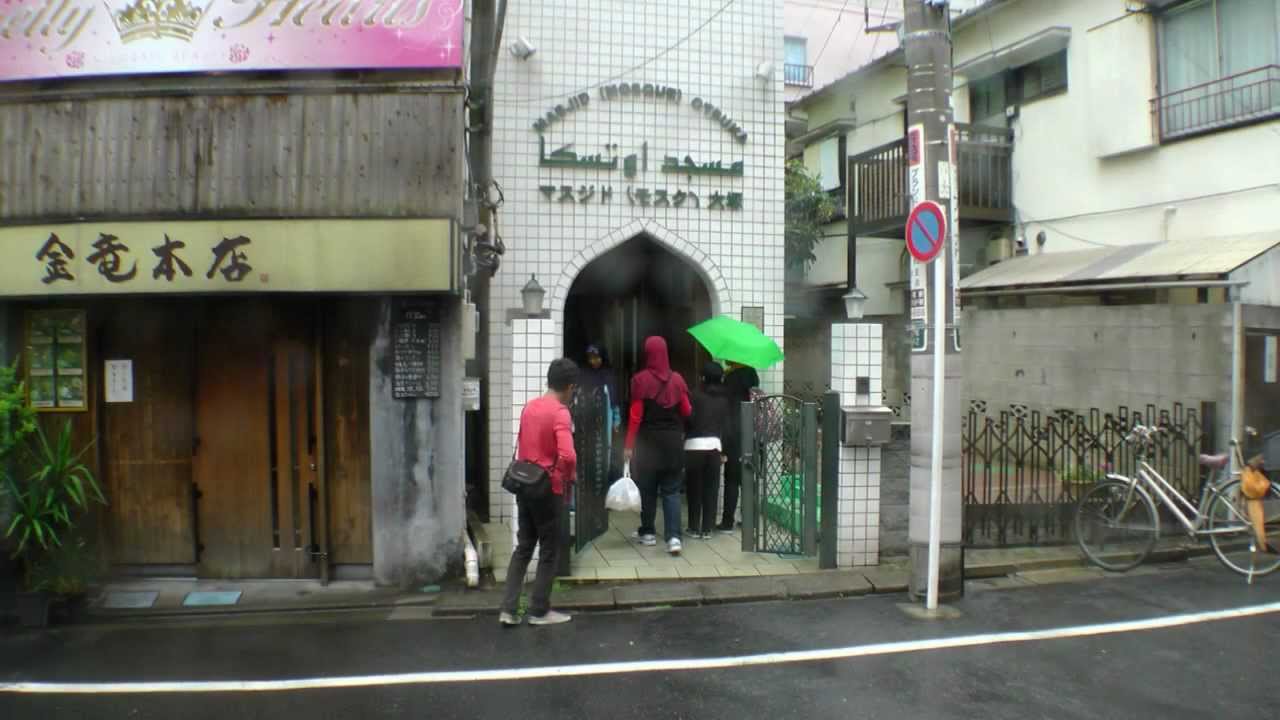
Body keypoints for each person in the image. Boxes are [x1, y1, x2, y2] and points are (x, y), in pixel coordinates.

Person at [499, 358, 579, 627]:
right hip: (548, 488)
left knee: (523, 546)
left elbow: (524, 445)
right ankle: (539, 611)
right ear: (569, 387)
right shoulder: (560, 412)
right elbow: (567, 454)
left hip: (524, 484)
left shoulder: (530, 407)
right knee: (548, 549)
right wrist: (567, 475)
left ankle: (508, 610)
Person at [624, 336, 692, 555]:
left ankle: (648, 533)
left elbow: (635, 417)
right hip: (672, 443)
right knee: (671, 491)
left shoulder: (640, 380)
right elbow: (687, 411)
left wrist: (628, 445)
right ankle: (673, 538)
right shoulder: (678, 380)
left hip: (648, 445)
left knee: (648, 489)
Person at [684, 362, 733, 539]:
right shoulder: (724, 400)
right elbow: (727, 429)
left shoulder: (694, 395)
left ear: (703, 377)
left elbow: (687, 419)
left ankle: (693, 527)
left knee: (694, 489)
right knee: (711, 489)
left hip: (693, 447)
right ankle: (707, 529)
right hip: (714, 448)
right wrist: (724, 451)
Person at [719, 360, 760, 533]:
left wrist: (724, 443)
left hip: (735, 434)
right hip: (753, 434)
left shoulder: (731, 379)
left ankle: (728, 523)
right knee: (748, 479)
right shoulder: (752, 375)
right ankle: (749, 520)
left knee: (732, 480)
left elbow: (726, 411)